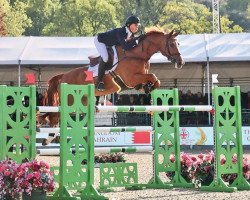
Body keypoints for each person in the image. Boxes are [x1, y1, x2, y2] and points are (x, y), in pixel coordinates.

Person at [94, 15, 145, 91]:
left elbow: (131, 44)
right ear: (129, 25)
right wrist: (136, 41)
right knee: (105, 58)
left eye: (138, 25)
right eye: (135, 25)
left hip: (111, 43)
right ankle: (99, 82)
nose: (137, 27)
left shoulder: (130, 34)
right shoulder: (121, 32)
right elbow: (126, 47)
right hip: (100, 41)